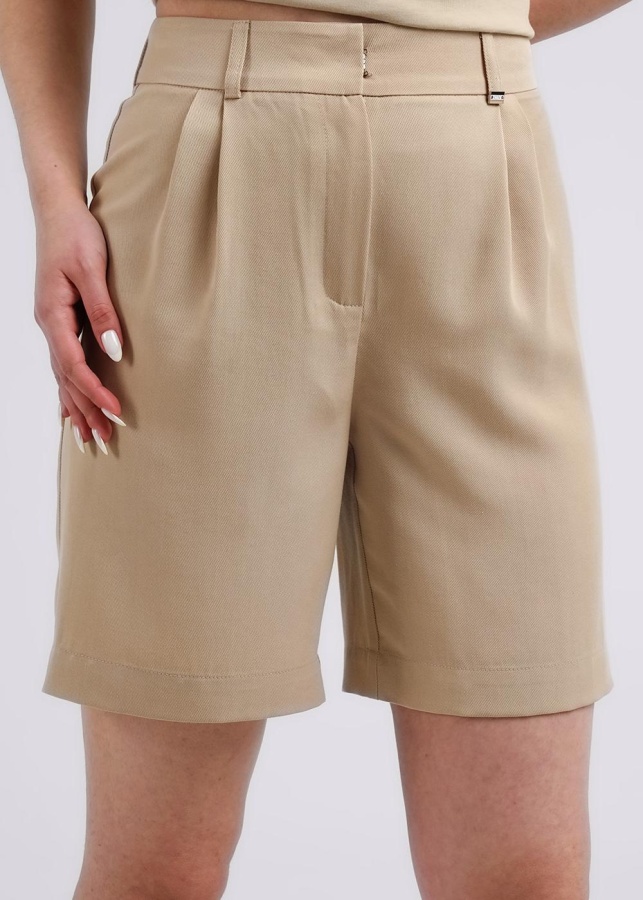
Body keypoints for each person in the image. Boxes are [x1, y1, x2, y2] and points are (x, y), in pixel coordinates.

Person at [0, 0, 629, 897]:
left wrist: (473, 13)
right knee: (156, 872)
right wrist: (53, 197)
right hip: (210, 155)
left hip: (477, 158)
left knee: (523, 877)